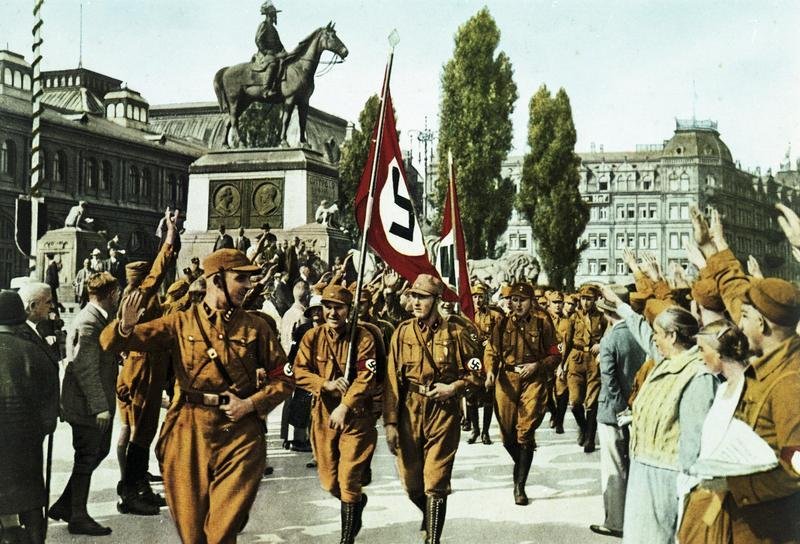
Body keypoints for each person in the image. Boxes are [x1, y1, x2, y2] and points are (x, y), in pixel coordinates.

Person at [99, 248, 293, 543]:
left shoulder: (256, 327)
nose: (248, 285)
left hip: (239, 433)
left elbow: (285, 378)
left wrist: (251, 404)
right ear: (217, 280)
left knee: (221, 534)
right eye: (241, 278)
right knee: (192, 535)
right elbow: (110, 342)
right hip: (188, 431)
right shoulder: (180, 323)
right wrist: (125, 325)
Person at [692, 207, 800, 541]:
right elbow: (736, 291)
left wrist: (737, 483)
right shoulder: (768, 357)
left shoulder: (789, 383)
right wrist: (712, 248)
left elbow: (797, 466)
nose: (738, 322)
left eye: (746, 317)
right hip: (747, 518)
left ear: (762, 324)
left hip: (770, 528)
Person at [606, 297, 716, 544]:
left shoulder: (697, 376)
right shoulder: (667, 360)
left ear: (672, 336)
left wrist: (689, 494)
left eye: (657, 333)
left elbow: (695, 443)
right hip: (642, 470)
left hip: (667, 479)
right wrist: (619, 305)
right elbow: (642, 331)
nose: (653, 339)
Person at [383, 274, 482, 543]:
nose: (416, 302)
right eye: (413, 296)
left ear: (437, 300)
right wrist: (390, 423)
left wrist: (454, 388)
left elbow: (477, 375)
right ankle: (429, 516)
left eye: (423, 297)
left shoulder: (457, 332)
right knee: (411, 483)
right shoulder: (403, 332)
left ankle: (433, 539)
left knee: (435, 480)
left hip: (443, 411)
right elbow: (391, 380)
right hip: (409, 410)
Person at [293, 284, 379, 544]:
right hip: (323, 414)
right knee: (331, 482)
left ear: (349, 310)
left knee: (348, 479)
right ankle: (356, 502)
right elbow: (298, 371)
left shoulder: (363, 337)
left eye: (338, 308)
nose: (332, 313)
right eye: (328, 307)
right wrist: (324, 384)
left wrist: (345, 405)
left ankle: (346, 539)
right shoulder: (313, 337)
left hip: (356, 416)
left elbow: (367, 376)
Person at [113, 211, 177, 516]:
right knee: (141, 433)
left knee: (144, 432)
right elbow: (160, 268)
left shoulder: (130, 296)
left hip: (144, 367)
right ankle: (130, 492)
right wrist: (169, 237)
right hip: (143, 369)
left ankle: (138, 486)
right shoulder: (139, 296)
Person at [49, 271, 121, 536]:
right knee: (88, 455)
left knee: (97, 451)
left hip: (89, 403)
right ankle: (77, 516)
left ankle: (65, 505)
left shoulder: (97, 318)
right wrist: (100, 407)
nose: (118, 297)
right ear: (111, 294)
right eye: (117, 293)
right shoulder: (89, 323)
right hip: (86, 405)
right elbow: (85, 369)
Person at [484, 282, 561, 505]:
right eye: (514, 300)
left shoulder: (543, 322)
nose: (517, 305)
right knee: (507, 435)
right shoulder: (502, 323)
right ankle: (522, 462)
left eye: (522, 300)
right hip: (506, 380)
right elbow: (491, 350)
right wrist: (490, 371)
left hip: (533, 380)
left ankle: (520, 486)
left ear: (531, 302)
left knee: (525, 432)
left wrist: (537, 365)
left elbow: (555, 354)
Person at [0, 290, 60, 544]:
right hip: (26, 441)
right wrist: (43, 429)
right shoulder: (34, 352)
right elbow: (50, 399)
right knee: (31, 494)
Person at [589, 293, 646, 539]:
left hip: (613, 412)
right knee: (634, 464)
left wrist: (620, 408)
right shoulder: (640, 333)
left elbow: (609, 380)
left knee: (613, 465)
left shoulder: (610, 338)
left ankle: (615, 521)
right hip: (638, 407)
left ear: (606, 313)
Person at [565, 284, 607, 452]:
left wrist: (601, 344)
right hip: (576, 358)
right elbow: (567, 342)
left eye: (589, 299)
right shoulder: (573, 318)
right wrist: (562, 364)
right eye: (583, 299)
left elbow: (609, 334)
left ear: (595, 299)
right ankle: (583, 428)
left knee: (592, 401)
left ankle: (590, 438)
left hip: (593, 360)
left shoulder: (602, 317)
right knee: (575, 401)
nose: (585, 302)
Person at [467, 283, 503, 445]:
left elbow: (501, 337)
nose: (477, 300)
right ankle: (475, 430)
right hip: (472, 361)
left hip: (489, 359)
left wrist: (490, 341)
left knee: (488, 395)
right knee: (471, 395)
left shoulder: (495, 316)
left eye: (480, 296)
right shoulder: (467, 315)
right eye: (474, 297)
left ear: (486, 298)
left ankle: (485, 432)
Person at [279, 280, 311, 451]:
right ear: (307, 295)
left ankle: (286, 436)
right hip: (297, 360)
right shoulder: (302, 316)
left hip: (286, 360)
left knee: (288, 399)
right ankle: (297, 438)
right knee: (299, 400)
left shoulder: (287, 314)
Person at [546, 290, 573, 434]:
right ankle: (554, 413)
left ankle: (560, 421)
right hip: (546, 361)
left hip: (562, 360)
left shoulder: (568, 321)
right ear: (549, 304)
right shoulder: (543, 320)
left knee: (562, 392)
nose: (557, 305)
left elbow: (570, 344)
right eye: (554, 303)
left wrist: (565, 363)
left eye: (559, 303)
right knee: (545, 392)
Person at [253, 1, 287, 100]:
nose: (274, 16)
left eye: (275, 14)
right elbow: (258, 40)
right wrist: (266, 51)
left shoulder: (274, 29)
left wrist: (285, 52)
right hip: (264, 54)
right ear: (268, 15)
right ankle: (266, 90)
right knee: (273, 63)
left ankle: (278, 86)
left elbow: (279, 44)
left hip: (275, 54)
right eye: (273, 14)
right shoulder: (263, 25)